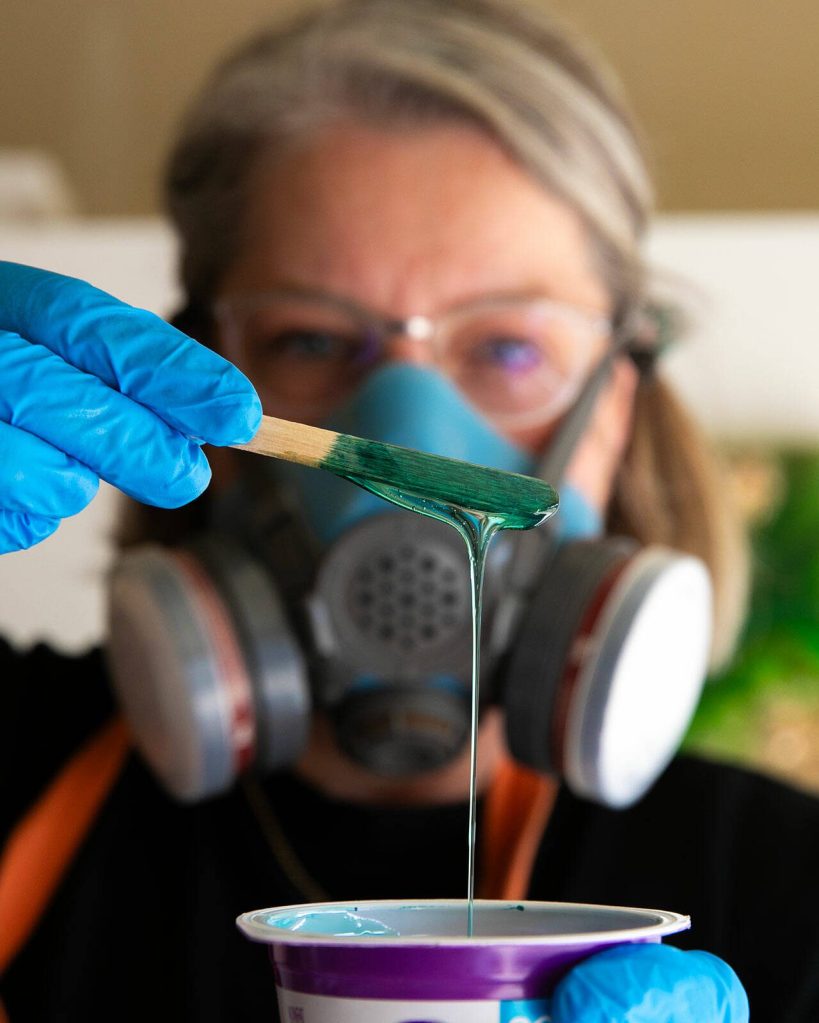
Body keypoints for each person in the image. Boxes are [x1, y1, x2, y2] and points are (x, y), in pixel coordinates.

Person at [1, 1, 817, 1020]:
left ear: (616, 406)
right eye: (309, 340)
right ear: (190, 376)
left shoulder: (790, 892)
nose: (417, 433)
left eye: (509, 348)